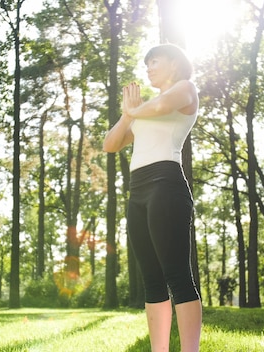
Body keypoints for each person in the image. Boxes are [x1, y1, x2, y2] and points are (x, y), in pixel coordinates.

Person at [103, 43, 202, 352]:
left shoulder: (185, 89)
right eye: (146, 64)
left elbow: (161, 107)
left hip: (166, 184)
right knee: (152, 280)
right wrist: (126, 115)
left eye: (154, 61)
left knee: (177, 275)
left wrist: (134, 110)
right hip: (138, 189)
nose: (148, 68)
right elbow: (110, 144)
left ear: (173, 64)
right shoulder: (141, 111)